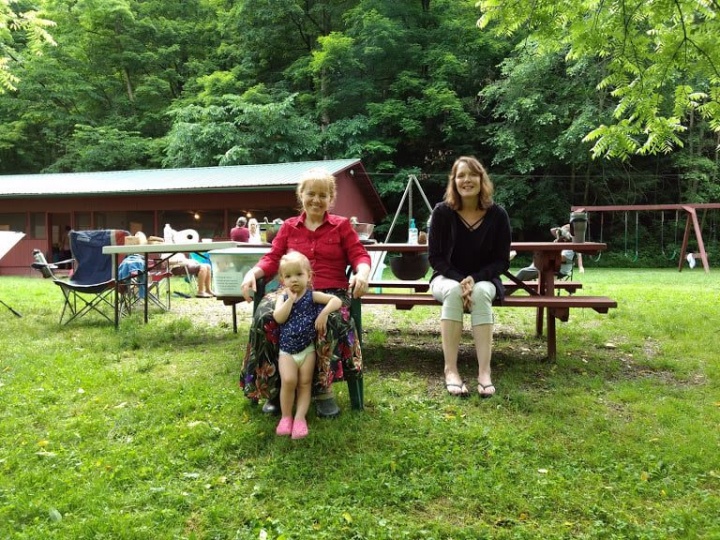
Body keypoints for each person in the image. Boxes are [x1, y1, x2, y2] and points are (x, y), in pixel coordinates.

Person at [240, 167, 371, 418]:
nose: (316, 200)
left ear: (330, 199)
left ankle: (323, 391)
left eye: (323, 195)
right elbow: (272, 258)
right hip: (290, 293)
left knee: (329, 319)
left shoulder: (341, 226)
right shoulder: (289, 227)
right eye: (311, 193)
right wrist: (251, 274)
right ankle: (276, 388)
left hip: (330, 292)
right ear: (301, 195)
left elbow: (359, 255)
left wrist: (362, 273)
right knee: (265, 317)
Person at [428, 156, 511, 398]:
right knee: (454, 291)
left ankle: (484, 372)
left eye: (472, 175)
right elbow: (435, 257)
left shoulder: (498, 215)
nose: (466, 180)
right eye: (460, 175)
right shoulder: (442, 212)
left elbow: (502, 261)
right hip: (446, 277)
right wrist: (460, 279)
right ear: (453, 181)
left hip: (485, 279)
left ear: (481, 179)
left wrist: (474, 278)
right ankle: (450, 370)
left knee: (482, 292)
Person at [273, 252, 342, 439]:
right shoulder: (283, 298)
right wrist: (290, 301)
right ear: (282, 279)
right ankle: (286, 417)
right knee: (288, 381)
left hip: (308, 350)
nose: (294, 280)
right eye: (288, 276)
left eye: (299, 274)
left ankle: (300, 417)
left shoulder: (312, 296)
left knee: (304, 384)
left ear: (309, 276)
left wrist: (324, 313)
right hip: (287, 351)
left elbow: (336, 300)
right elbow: (278, 318)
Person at [515, 224, 584, 280]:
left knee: (523, 272)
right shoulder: (561, 242)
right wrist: (559, 233)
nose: (559, 236)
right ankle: (508, 289)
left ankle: (506, 291)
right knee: (527, 269)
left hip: (557, 269)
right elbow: (552, 230)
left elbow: (561, 258)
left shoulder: (570, 247)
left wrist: (545, 254)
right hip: (552, 267)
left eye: (561, 234)